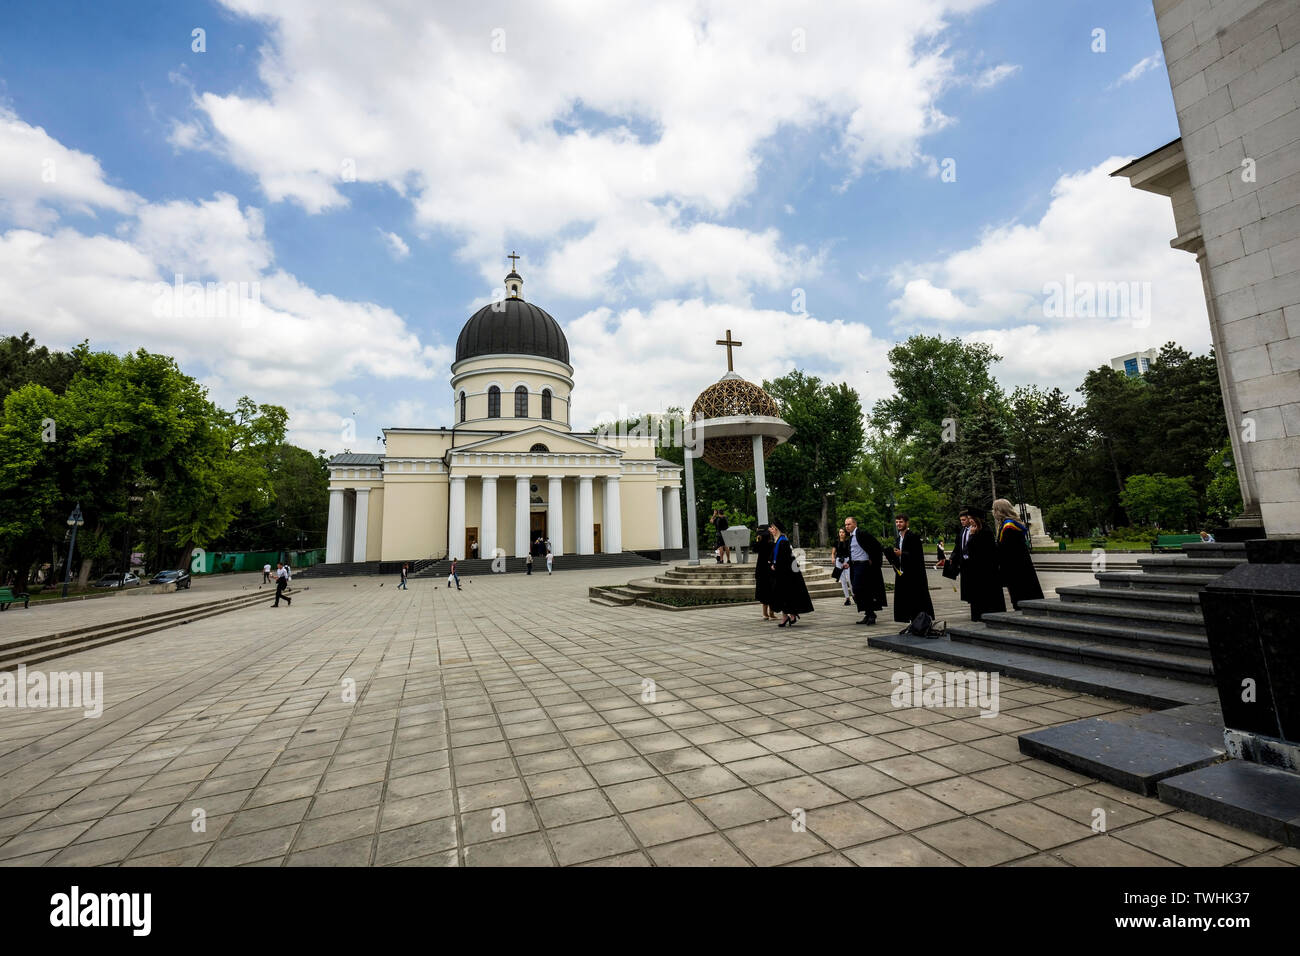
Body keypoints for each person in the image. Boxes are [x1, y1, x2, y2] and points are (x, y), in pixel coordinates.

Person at [883, 514, 934, 623]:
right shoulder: (899, 538)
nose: (898, 524)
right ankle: (910, 620)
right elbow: (899, 555)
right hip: (902, 573)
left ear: (907, 523)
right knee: (905, 599)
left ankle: (919, 621)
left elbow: (917, 555)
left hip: (914, 574)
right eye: (897, 522)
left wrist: (902, 553)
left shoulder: (913, 536)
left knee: (915, 598)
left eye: (901, 522)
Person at [992, 498, 1042, 609]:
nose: (993, 512)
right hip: (1020, 563)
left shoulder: (1009, 527)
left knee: (1020, 594)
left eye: (994, 509)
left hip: (1015, 566)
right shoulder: (1010, 524)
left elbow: (1006, 549)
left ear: (999, 511)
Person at [768, 519, 812, 627]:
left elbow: (785, 558)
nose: (771, 530)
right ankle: (788, 615)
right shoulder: (778, 540)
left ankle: (790, 615)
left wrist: (775, 565)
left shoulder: (783, 541)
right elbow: (775, 555)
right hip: (781, 573)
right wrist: (771, 562)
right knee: (782, 595)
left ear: (777, 529)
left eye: (773, 528)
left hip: (787, 574)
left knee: (787, 595)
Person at [963, 510, 1006, 621]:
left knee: (988, 595)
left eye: (971, 518)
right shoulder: (977, 530)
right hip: (978, 569)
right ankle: (979, 615)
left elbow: (974, 548)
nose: (970, 521)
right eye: (969, 518)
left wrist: (972, 536)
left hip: (986, 569)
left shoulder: (984, 531)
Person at [844, 516, 886, 625]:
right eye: (845, 525)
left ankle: (871, 614)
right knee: (860, 591)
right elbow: (853, 553)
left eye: (849, 524)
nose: (846, 526)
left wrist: (873, 559)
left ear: (854, 524)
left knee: (859, 589)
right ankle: (868, 613)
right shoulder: (851, 538)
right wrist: (848, 563)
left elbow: (876, 546)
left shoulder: (862, 534)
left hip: (864, 566)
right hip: (855, 566)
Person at [754, 527, 776, 620]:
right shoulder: (771, 544)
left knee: (763, 592)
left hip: (761, 570)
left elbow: (754, 548)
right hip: (769, 570)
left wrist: (758, 539)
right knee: (771, 591)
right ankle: (771, 613)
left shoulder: (759, 545)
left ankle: (765, 614)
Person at [833, 528, 853, 606]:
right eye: (840, 532)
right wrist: (832, 558)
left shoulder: (848, 541)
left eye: (843, 532)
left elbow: (851, 552)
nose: (841, 534)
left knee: (850, 579)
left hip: (847, 560)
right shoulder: (836, 542)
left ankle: (854, 595)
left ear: (845, 533)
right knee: (843, 581)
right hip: (839, 561)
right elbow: (833, 552)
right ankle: (847, 598)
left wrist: (848, 562)